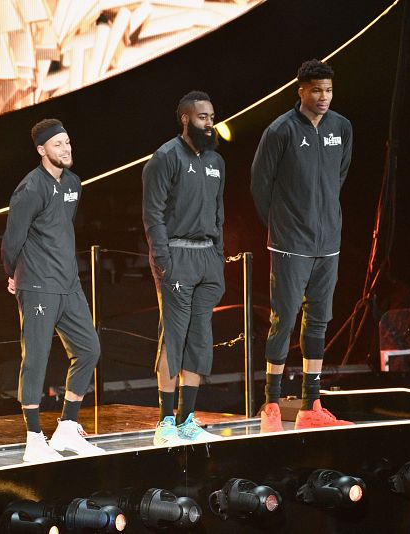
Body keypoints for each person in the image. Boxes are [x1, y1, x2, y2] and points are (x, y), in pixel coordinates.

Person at [251, 59, 354, 432]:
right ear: (301, 92)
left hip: (328, 243)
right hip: (290, 243)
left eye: (328, 90)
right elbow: (260, 184)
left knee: (319, 321)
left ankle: (312, 404)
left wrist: (323, 217)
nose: (323, 97)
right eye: (316, 90)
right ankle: (272, 404)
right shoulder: (281, 130)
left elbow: (339, 175)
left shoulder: (341, 127)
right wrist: (283, 226)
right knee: (284, 320)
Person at [1, 119, 103, 463]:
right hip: (38, 285)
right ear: (41, 150)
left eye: (68, 142)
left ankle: (67, 427)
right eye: (58, 144)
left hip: (69, 283)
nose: (66, 148)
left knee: (89, 349)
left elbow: (59, 228)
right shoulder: (30, 188)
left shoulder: (73, 183)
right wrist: (13, 274)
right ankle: (34, 438)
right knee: (36, 358)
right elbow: (12, 239)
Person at [142, 91, 226, 446]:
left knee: (200, 339)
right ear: (186, 119)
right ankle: (165, 422)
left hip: (207, 258)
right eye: (203, 117)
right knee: (174, 337)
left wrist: (218, 256)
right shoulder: (165, 157)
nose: (209, 123)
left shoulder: (216, 160)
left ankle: (188, 419)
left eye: (211, 117)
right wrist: (163, 260)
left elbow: (219, 212)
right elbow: (153, 214)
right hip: (176, 255)